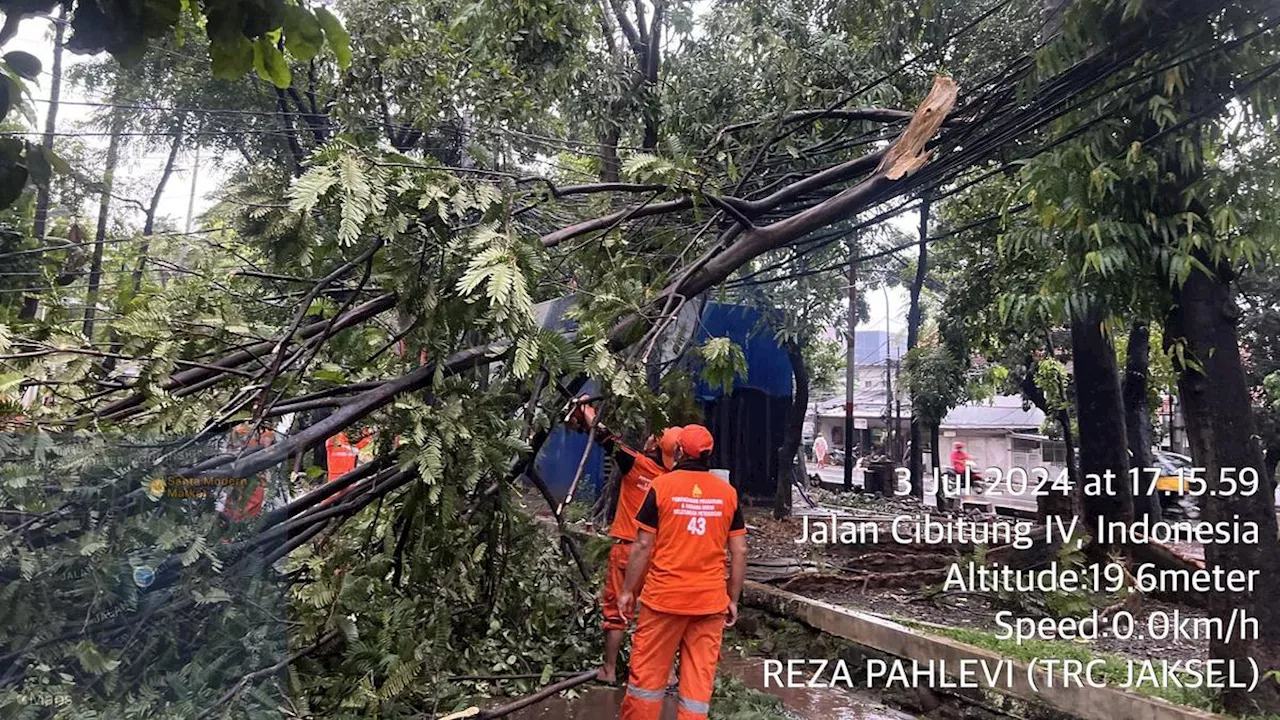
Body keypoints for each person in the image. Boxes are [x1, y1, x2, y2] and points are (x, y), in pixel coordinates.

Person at [617, 425, 748, 720]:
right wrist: (733, 598)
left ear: (678, 451)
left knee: (646, 685)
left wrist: (628, 591)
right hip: (710, 604)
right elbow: (739, 551)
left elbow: (641, 546)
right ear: (708, 455)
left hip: (664, 601)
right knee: (696, 692)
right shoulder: (727, 494)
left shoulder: (661, 487)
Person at [566, 398, 681, 686]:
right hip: (661, 553)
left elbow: (607, 439)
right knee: (659, 613)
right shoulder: (674, 479)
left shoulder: (636, 465)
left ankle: (608, 670)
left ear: (653, 445)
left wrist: (586, 410)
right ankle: (666, 675)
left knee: (617, 611)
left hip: (629, 549)